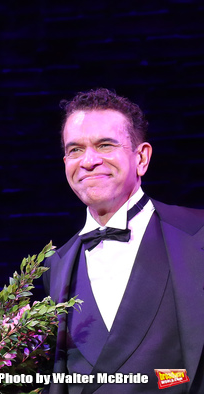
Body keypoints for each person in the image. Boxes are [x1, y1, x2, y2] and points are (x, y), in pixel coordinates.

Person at [42, 88, 204, 394]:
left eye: (105, 145)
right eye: (75, 150)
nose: (88, 161)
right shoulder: (56, 265)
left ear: (141, 158)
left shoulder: (197, 235)